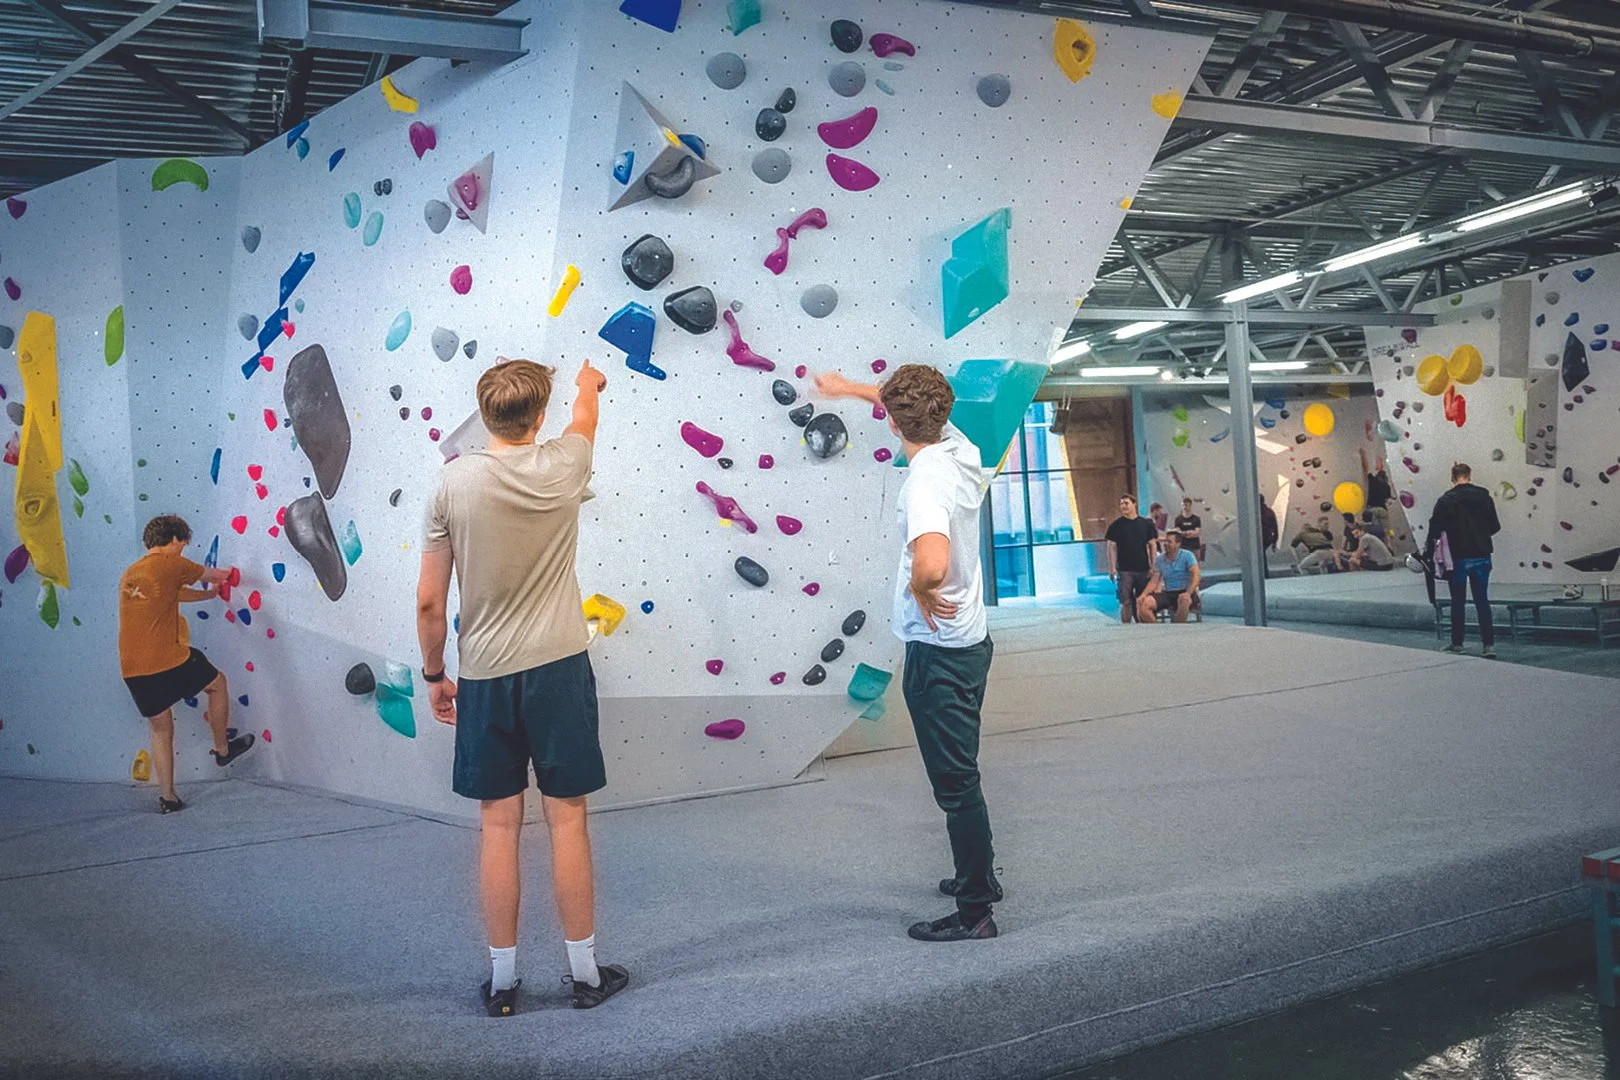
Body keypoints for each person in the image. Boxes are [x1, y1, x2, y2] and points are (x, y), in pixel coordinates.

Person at [416, 357, 630, 1017]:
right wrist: (588, 384)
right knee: (568, 821)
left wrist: (434, 674)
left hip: (484, 675)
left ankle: (504, 985)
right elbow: (585, 416)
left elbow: (429, 603)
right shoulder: (566, 463)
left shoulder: (452, 484)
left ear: (485, 418)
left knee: (498, 826)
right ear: (538, 417)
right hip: (560, 668)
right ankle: (586, 975)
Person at [816, 364, 1001, 942]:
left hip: (938, 651)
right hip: (971, 642)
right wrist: (851, 389)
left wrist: (922, 589)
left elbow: (932, 562)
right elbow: (908, 405)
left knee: (955, 784)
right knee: (963, 771)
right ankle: (983, 878)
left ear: (895, 421)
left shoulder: (925, 479)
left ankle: (976, 912)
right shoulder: (957, 446)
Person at [119, 515, 255, 814]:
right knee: (217, 685)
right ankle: (222, 750)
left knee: (161, 730)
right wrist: (230, 574)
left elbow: (173, 595)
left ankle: (168, 798)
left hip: (133, 668)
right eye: (181, 545)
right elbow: (217, 574)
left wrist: (207, 597)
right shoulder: (172, 564)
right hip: (166, 660)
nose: (182, 551)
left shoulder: (132, 573)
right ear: (173, 541)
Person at [1426, 461, 1501, 658]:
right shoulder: (1484, 496)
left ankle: (1458, 643)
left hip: (1458, 557)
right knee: (1482, 600)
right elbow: (1495, 526)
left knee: (1457, 600)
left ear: (1452, 478)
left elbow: (1435, 529)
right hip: (1482, 555)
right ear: (1469, 475)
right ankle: (1488, 645)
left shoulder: (1445, 500)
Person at [1105, 494, 1158, 624]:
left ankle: (1143, 625)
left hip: (1143, 568)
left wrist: (1153, 566)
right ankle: (1126, 628)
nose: (1124, 506)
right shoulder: (1116, 525)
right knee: (1126, 601)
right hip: (1124, 569)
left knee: (1142, 599)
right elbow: (1111, 547)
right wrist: (1111, 568)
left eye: (1126, 503)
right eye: (1122, 504)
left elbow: (1152, 545)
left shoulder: (1146, 524)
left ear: (1134, 504)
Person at [1138, 529, 1201, 623]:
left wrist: (1188, 593)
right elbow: (1154, 581)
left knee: (1183, 599)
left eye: (1169, 542)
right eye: (1165, 541)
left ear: (1178, 544)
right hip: (1168, 592)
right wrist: (1143, 595)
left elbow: (1196, 576)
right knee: (1144, 604)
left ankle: (1179, 630)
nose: (1166, 544)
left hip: (1186, 591)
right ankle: (1157, 630)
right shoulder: (1160, 559)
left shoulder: (1188, 556)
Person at [1174, 497, 1203, 562]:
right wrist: (1189, 532)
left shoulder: (1196, 518)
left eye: (1186, 505)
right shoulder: (1178, 519)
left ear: (1190, 506)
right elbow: (1178, 532)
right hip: (1182, 546)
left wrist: (1184, 533)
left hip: (1194, 546)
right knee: (1182, 564)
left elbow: (1197, 533)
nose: (1185, 507)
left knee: (1195, 564)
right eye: (1183, 505)